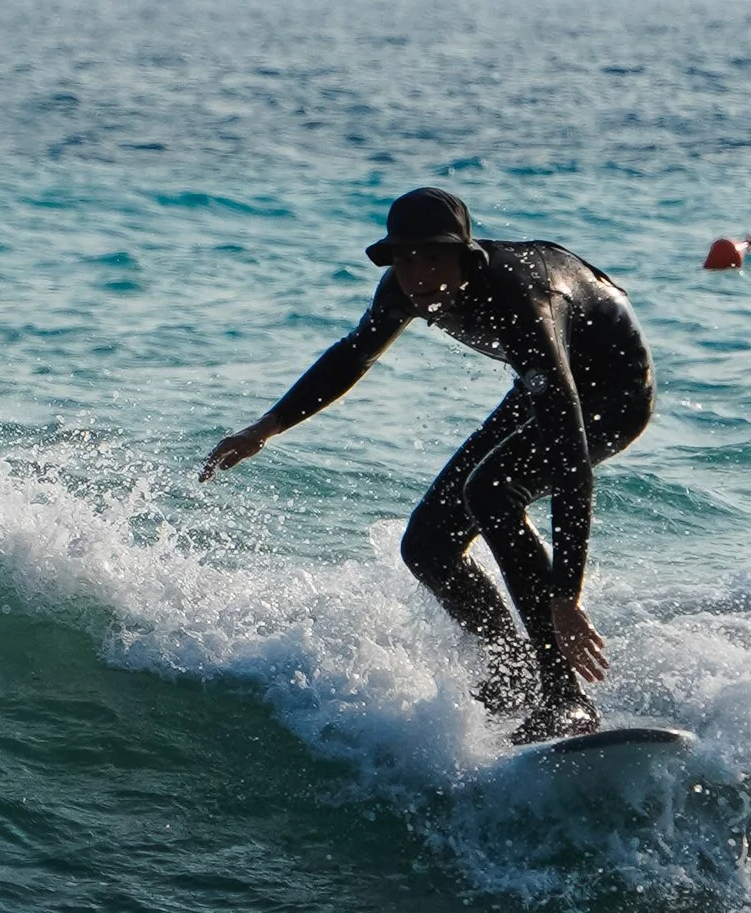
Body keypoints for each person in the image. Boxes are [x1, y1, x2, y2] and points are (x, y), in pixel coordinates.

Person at [200, 187, 653, 742]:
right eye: (407, 259)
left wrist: (566, 596)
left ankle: (566, 698)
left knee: (490, 491)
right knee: (427, 546)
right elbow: (353, 353)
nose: (420, 275)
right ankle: (513, 676)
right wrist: (266, 427)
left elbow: (570, 461)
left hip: (613, 395)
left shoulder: (523, 299)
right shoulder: (403, 288)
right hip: (544, 387)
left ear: (468, 257)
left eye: (435, 257)